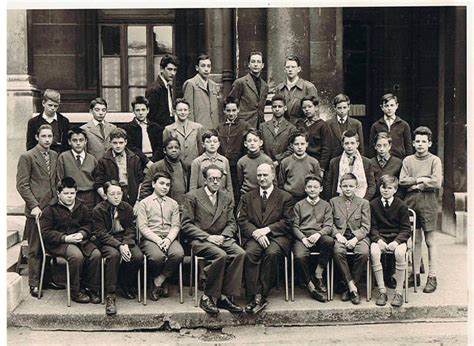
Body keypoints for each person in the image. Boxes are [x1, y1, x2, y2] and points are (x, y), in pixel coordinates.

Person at [182, 165, 245, 315]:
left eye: (219, 179)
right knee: (221, 255)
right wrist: (208, 237)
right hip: (201, 239)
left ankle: (223, 296)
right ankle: (207, 296)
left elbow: (232, 223)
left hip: (221, 237)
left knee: (240, 253)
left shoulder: (226, 198)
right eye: (212, 179)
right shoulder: (193, 196)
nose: (216, 182)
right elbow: (186, 224)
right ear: (205, 180)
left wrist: (223, 236)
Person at [238, 163, 293, 314]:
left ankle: (262, 294)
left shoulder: (284, 197)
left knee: (271, 253)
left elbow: (287, 222)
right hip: (254, 237)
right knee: (249, 254)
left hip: (277, 237)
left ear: (273, 176)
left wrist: (266, 230)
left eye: (265, 175)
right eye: (259, 175)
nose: (262, 178)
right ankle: (252, 295)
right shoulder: (247, 197)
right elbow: (242, 220)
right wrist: (256, 232)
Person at [17, 124, 63, 297]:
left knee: (50, 244)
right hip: (36, 210)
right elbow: (22, 185)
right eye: (43, 136)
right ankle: (34, 284)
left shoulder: (54, 155)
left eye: (50, 136)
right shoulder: (27, 157)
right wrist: (34, 205)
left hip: (51, 208)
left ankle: (47, 278)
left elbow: (56, 181)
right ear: (37, 137)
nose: (47, 140)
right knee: (35, 248)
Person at [40, 177, 101, 304]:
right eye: (66, 193)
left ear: (76, 192)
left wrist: (82, 233)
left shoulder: (82, 206)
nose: (69, 197)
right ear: (58, 193)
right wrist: (65, 238)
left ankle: (92, 288)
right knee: (76, 256)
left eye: (72, 193)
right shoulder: (50, 209)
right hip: (59, 243)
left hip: (80, 240)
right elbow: (46, 232)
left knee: (96, 254)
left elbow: (89, 224)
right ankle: (75, 291)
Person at [399, 126, 443, 293]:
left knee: (429, 240)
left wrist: (416, 184)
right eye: (417, 141)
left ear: (429, 143)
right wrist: (421, 180)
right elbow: (402, 181)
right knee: (415, 240)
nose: (420, 144)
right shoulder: (408, 160)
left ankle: (432, 276)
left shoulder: (434, 160)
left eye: (424, 141)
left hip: (428, 202)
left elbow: (436, 182)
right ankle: (415, 273)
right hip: (410, 202)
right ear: (413, 142)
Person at [93, 181, 144, 315]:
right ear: (105, 195)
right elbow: (101, 233)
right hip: (108, 241)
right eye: (112, 194)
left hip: (124, 239)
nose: (116, 197)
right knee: (114, 256)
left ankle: (124, 283)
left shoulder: (126, 207)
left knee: (137, 256)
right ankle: (110, 295)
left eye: (119, 193)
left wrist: (126, 243)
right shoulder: (98, 210)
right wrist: (119, 245)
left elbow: (130, 229)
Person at [137, 172, 184, 301]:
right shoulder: (144, 203)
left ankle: (159, 280)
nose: (165, 187)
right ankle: (156, 279)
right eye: (161, 183)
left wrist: (168, 239)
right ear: (153, 184)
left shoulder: (173, 203)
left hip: (169, 237)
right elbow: (143, 227)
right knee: (157, 257)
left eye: (168, 185)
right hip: (150, 238)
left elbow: (176, 225)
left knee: (178, 253)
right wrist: (158, 240)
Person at [369, 174, 412, 307]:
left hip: (397, 238)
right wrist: (378, 240)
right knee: (374, 252)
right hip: (381, 237)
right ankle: (382, 291)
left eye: (389, 188)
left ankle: (398, 292)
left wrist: (397, 242)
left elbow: (406, 229)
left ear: (395, 190)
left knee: (400, 253)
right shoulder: (373, 204)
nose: (385, 190)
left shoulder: (401, 205)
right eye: (383, 187)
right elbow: (372, 227)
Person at [329, 173, 371, 305]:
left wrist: (355, 239)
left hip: (358, 237)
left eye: (351, 186)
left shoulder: (363, 203)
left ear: (356, 187)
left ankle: (350, 286)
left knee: (363, 253)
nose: (348, 189)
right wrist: (337, 235)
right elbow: (330, 223)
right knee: (337, 251)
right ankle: (353, 288)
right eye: (345, 186)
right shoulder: (333, 202)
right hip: (340, 237)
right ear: (340, 187)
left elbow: (366, 226)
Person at [292, 175, 334, 302]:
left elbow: (328, 225)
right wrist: (303, 238)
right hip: (303, 237)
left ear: (321, 189)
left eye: (315, 187)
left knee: (329, 241)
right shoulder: (299, 205)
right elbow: (294, 226)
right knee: (299, 256)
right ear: (305, 189)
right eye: (309, 187)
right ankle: (311, 286)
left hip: (319, 235)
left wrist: (319, 234)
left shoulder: (326, 205)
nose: (312, 189)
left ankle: (318, 273)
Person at [94, 128, 144, 206]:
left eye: (121, 143)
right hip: (112, 196)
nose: (118, 146)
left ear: (125, 142)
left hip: (131, 195)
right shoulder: (104, 160)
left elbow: (140, 181)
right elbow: (98, 183)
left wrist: (138, 200)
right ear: (110, 143)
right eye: (115, 143)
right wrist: (107, 198)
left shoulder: (134, 159)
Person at [216, 96, 251, 202]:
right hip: (223, 165)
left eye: (234, 110)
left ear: (238, 110)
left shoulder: (244, 126)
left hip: (237, 166)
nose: (231, 114)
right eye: (228, 111)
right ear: (224, 111)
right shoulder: (220, 127)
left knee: (236, 190)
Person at [324, 130, 376, 201]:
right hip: (339, 201)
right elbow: (328, 184)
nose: (349, 146)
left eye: (352, 143)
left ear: (357, 144)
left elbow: (372, 185)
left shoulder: (366, 162)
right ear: (342, 145)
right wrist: (333, 200)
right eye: (346, 143)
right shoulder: (335, 162)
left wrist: (364, 200)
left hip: (361, 200)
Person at [139, 136, 189, 206]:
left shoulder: (186, 167)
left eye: (176, 147)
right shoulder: (157, 166)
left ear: (180, 150)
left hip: (183, 206)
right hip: (163, 206)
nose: (174, 150)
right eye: (170, 148)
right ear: (165, 151)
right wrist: (145, 206)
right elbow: (145, 189)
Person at [57, 127, 98, 210]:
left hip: (89, 197)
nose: (78, 143)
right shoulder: (63, 157)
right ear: (69, 142)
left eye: (81, 140)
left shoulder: (92, 159)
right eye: (75, 140)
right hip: (70, 196)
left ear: (86, 141)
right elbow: (59, 179)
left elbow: (97, 181)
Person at [278, 128, 321, 203]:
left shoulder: (314, 162)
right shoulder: (285, 162)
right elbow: (281, 184)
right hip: (290, 198)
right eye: (296, 144)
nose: (300, 147)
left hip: (307, 197)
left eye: (302, 144)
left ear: (307, 144)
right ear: (292, 145)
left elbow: (318, 182)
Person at [228, 51, 268, 128]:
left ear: (262, 65)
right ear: (249, 64)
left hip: (259, 125)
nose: (256, 64)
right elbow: (231, 105)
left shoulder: (265, 86)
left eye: (258, 62)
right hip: (243, 125)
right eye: (253, 62)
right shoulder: (240, 83)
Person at [274, 55, 318, 124]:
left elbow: (315, 113)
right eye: (288, 67)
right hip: (283, 128)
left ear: (299, 69)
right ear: (284, 69)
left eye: (293, 67)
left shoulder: (308, 87)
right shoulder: (279, 88)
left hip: (302, 128)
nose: (290, 69)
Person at [120, 96, 164, 165]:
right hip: (136, 162)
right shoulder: (127, 129)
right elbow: (132, 148)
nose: (140, 113)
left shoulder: (156, 128)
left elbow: (160, 148)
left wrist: (152, 163)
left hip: (155, 162)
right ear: (133, 111)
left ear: (148, 110)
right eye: (137, 110)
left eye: (143, 110)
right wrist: (147, 162)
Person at [190, 129, 233, 197]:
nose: (212, 144)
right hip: (203, 199)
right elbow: (193, 187)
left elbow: (229, 185)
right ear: (203, 144)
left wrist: (231, 203)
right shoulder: (197, 162)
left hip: (221, 198)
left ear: (219, 144)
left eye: (215, 141)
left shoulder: (224, 161)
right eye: (208, 142)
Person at [368, 93, 413, 159]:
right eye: (386, 106)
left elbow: (408, 147)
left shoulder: (404, 125)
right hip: (381, 161)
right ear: (382, 107)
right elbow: (372, 148)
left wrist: (408, 162)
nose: (389, 108)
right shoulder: (376, 126)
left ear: (397, 106)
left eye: (392, 105)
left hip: (399, 160)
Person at [295, 95, 332, 172]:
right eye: (304, 107)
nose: (307, 109)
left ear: (316, 108)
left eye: (309, 106)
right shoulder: (300, 124)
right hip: (300, 162)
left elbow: (326, 148)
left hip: (316, 164)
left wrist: (321, 168)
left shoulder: (323, 125)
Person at [26, 89, 70, 153]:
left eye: (56, 106)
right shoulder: (33, 122)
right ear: (43, 103)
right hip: (40, 157)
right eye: (50, 105)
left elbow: (67, 145)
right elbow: (30, 145)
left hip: (59, 157)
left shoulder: (64, 121)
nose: (52, 108)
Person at [183, 54, 220, 130]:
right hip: (199, 128)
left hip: (213, 129)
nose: (206, 69)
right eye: (203, 66)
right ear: (197, 68)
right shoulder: (191, 84)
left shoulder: (213, 85)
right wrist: (192, 130)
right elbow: (188, 111)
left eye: (208, 66)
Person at [163, 98, 204, 167]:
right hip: (176, 166)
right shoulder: (169, 129)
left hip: (194, 165)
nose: (183, 112)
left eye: (185, 110)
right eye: (180, 110)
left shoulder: (198, 127)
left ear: (189, 111)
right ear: (175, 112)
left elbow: (201, 148)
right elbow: (167, 150)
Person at [259, 95, 295, 168]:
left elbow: (291, 148)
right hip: (266, 164)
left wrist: (279, 161)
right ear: (271, 108)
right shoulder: (263, 126)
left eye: (280, 106)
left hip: (284, 165)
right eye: (274, 107)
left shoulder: (291, 128)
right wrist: (266, 160)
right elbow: (260, 146)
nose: (277, 109)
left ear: (285, 108)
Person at [145, 54, 179, 127]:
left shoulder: (168, 87)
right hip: (159, 131)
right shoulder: (154, 89)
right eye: (169, 69)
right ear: (162, 69)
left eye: (175, 70)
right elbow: (150, 116)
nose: (173, 73)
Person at [237, 128, 273, 196]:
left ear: (261, 143)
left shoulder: (267, 160)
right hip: (246, 195)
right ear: (245, 144)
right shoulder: (241, 162)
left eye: (255, 140)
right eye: (249, 141)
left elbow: (273, 182)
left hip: (263, 195)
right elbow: (240, 182)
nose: (252, 143)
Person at [369, 132, 403, 199]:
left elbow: (401, 186)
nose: (382, 149)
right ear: (375, 146)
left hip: (393, 199)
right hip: (374, 200)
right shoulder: (370, 163)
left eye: (385, 145)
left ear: (390, 146)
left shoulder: (398, 163)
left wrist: (396, 199)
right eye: (379, 145)